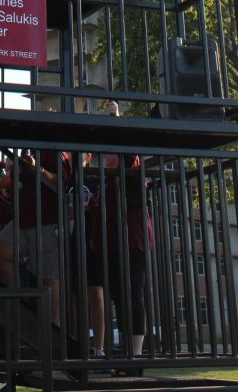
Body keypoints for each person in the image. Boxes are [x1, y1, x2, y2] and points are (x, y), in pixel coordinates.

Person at [0, 149, 73, 329]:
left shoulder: (52, 152)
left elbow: (60, 182)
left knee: (49, 280)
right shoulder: (24, 152)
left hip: (48, 220)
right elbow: (14, 179)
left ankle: (54, 333)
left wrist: (38, 168)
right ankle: (19, 306)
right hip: (24, 219)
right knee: (2, 248)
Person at [87, 153, 152, 368]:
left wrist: (116, 121)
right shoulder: (105, 182)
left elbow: (131, 156)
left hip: (133, 241)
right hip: (112, 245)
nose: (104, 156)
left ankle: (135, 354)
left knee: (133, 295)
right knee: (119, 298)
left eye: (109, 153)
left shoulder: (129, 172)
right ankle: (128, 353)